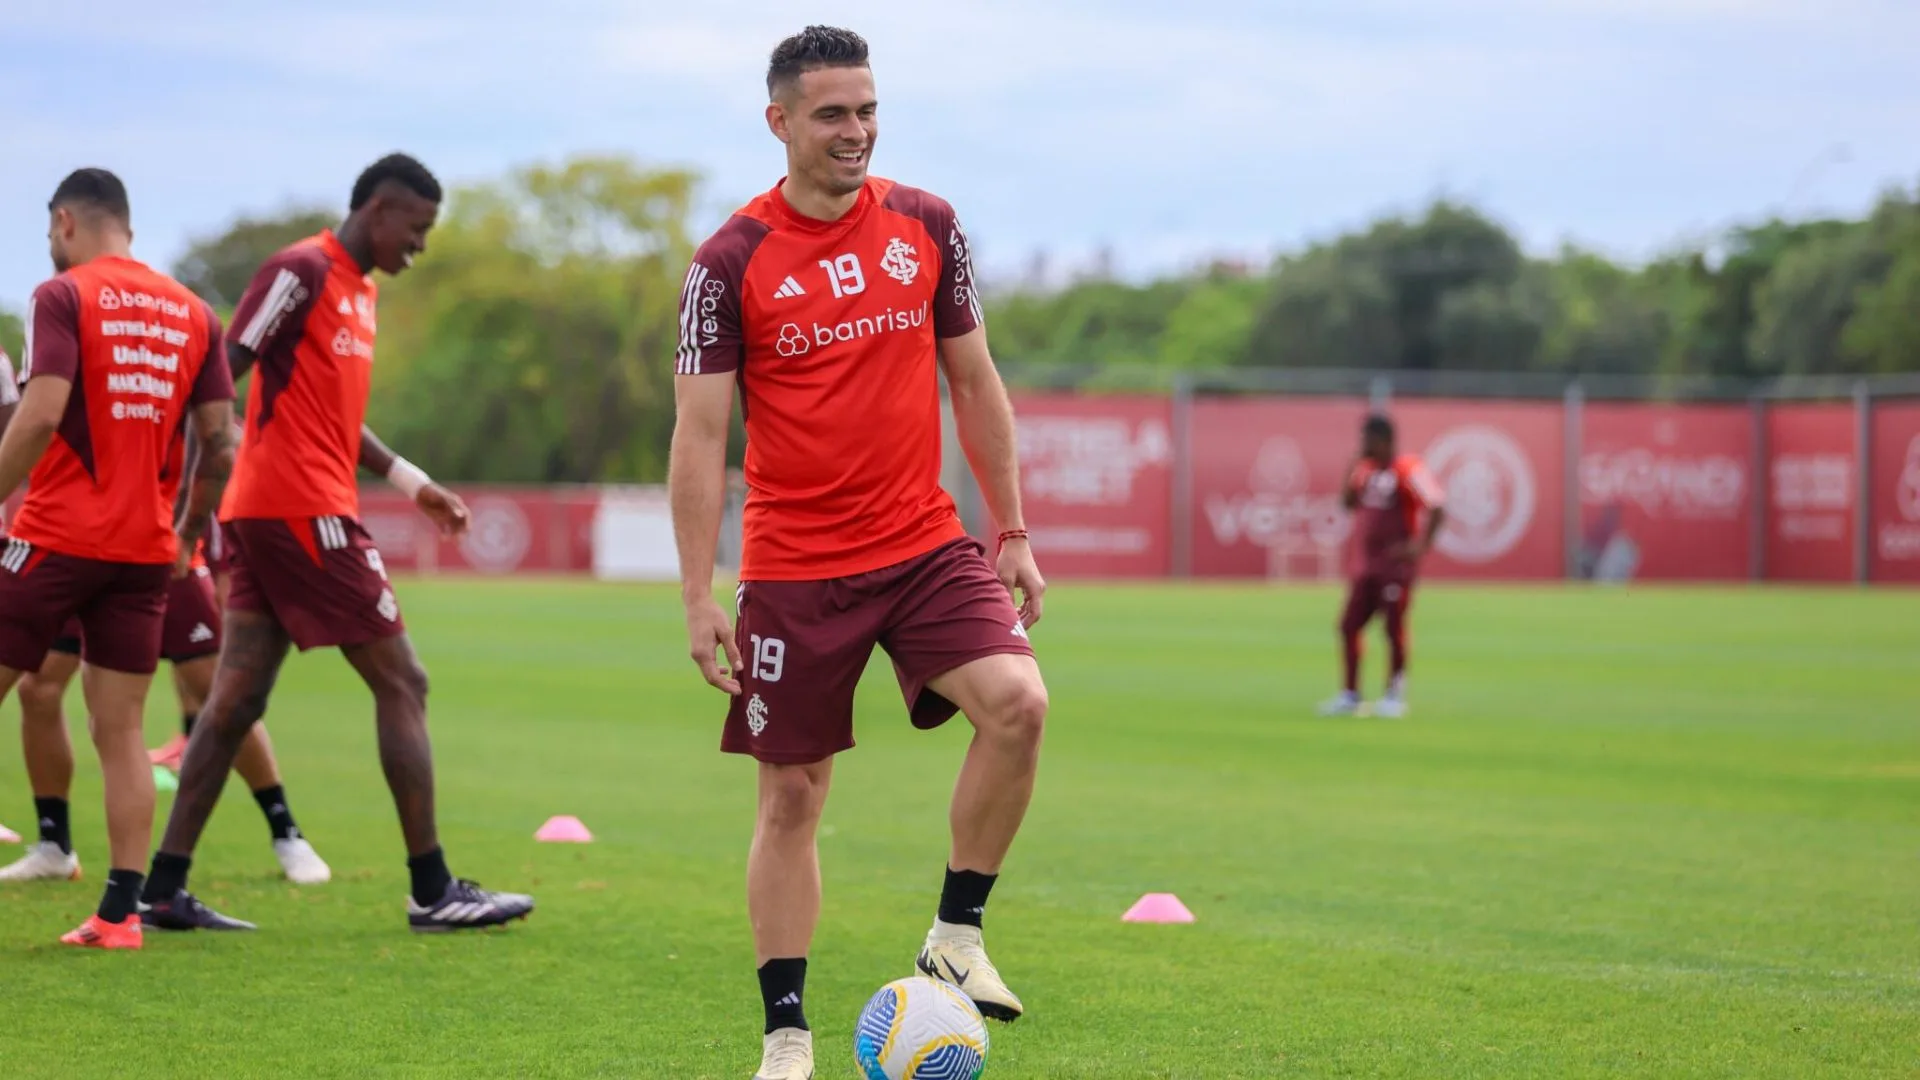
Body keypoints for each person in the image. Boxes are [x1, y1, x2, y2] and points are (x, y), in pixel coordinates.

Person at [669, 27, 1050, 1080]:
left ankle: (955, 936)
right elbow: (699, 439)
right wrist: (700, 591)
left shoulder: (928, 225)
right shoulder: (728, 263)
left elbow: (975, 384)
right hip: (795, 569)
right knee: (792, 798)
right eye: (833, 112)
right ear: (780, 121)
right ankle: (786, 1034)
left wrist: (1010, 529)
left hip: (924, 544)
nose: (857, 131)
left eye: (868, 109)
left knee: (1020, 706)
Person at [138, 154, 534, 934]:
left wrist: (410, 479)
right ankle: (432, 888)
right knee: (403, 681)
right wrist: (188, 497)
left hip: (276, 515)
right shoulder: (303, 270)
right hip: (300, 513)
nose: (419, 247)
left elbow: (335, 419)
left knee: (233, 701)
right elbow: (224, 369)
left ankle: (161, 887)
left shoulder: (361, 292)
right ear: (380, 209)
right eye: (416, 230)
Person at [0, 167, 236, 948]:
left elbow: (37, 418)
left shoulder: (60, 296)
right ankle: (118, 915)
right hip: (143, 552)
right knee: (122, 733)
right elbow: (220, 441)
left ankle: (67, 860)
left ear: (65, 221)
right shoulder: (196, 312)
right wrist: (190, 534)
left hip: (55, 537)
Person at [0, 532, 331, 885]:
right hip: (74, 547)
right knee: (39, 689)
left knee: (219, 695)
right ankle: (55, 845)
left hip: (157, 551)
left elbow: (205, 479)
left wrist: (192, 537)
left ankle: (285, 831)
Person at [1321, 414, 1447, 719]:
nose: (1363, 445)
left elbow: (1437, 503)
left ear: (1385, 440)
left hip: (1394, 568)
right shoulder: (1365, 471)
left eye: (1367, 439)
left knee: (1393, 628)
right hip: (1366, 567)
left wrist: (1420, 546)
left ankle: (1394, 695)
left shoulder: (1407, 468)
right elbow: (1347, 504)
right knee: (1348, 626)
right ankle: (1350, 694)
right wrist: (1351, 469)